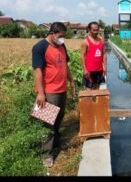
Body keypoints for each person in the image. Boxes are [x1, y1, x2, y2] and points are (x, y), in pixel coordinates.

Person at [32, 22, 76, 168]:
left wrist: (71, 82)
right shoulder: (40, 47)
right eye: (60, 36)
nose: (62, 38)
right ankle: (47, 155)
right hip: (49, 91)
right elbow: (38, 71)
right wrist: (40, 93)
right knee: (47, 123)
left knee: (58, 118)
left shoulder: (62, 46)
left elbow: (65, 65)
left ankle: (56, 142)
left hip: (62, 89)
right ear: (52, 33)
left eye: (64, 36)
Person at [81, 22, 107, 89]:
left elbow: (104, 54)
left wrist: (104, 66)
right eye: (94, 30)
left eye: (97, 30)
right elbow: (83, 56)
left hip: (99, 69)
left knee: (97, 88)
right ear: (89, 30)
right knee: (89, 90)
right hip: (89, 70)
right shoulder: (85, 42)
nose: (96, 32)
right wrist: (84, 69)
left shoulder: (101, 41)